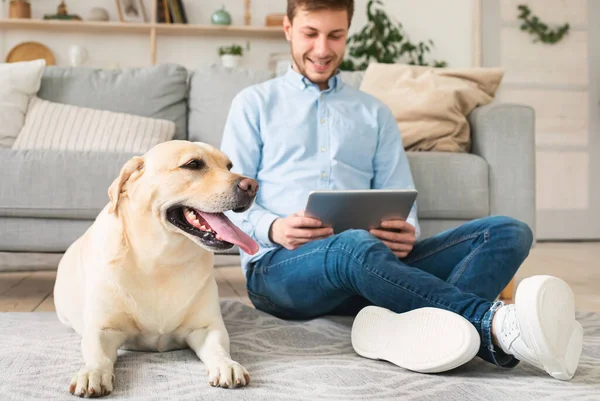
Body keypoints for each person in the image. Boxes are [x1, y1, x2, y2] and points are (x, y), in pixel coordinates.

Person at [221, 0, 583, 380]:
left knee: (509, 231)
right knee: (353, 245)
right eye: (311, 34)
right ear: (288, 29)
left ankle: (415, 334)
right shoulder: (253, 105)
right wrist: (275, 228)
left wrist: (405, 231)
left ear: (348, 33)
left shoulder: (373, 112)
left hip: (373, 266)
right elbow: (228, 203)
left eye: (335, 35)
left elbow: (399, 192)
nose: (323, 49)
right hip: (279, 271)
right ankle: (493, 325)